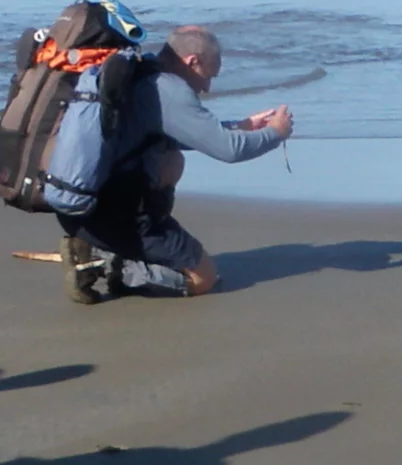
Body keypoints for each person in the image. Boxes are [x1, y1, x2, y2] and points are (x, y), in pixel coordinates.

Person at [61, 25, 292, 301]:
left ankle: (101, 243)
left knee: (172, 157)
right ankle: (105, 262)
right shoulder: (168, 90)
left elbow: (183, 134)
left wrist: (243, 125)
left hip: (80, 203)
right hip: (116, 216)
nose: (207, 87)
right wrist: (276, 133)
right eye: (209, 76)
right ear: (192, 61)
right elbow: (230, 151)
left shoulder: (142, 71)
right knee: (203, 279)